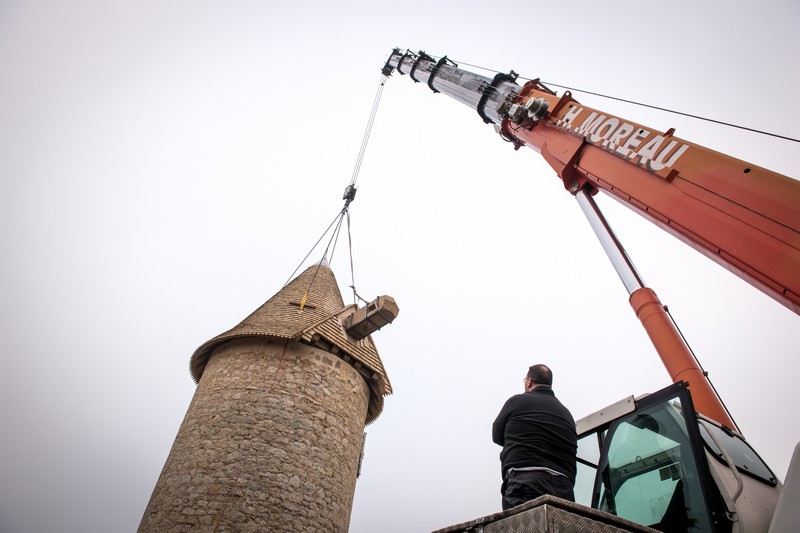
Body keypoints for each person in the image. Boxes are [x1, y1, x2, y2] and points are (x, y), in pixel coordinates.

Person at [492, 364, 577, 510]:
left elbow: (496, 436)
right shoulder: (567, 414)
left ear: (529, 381)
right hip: (564, 488)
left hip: (525, 482)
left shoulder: (516, 402)